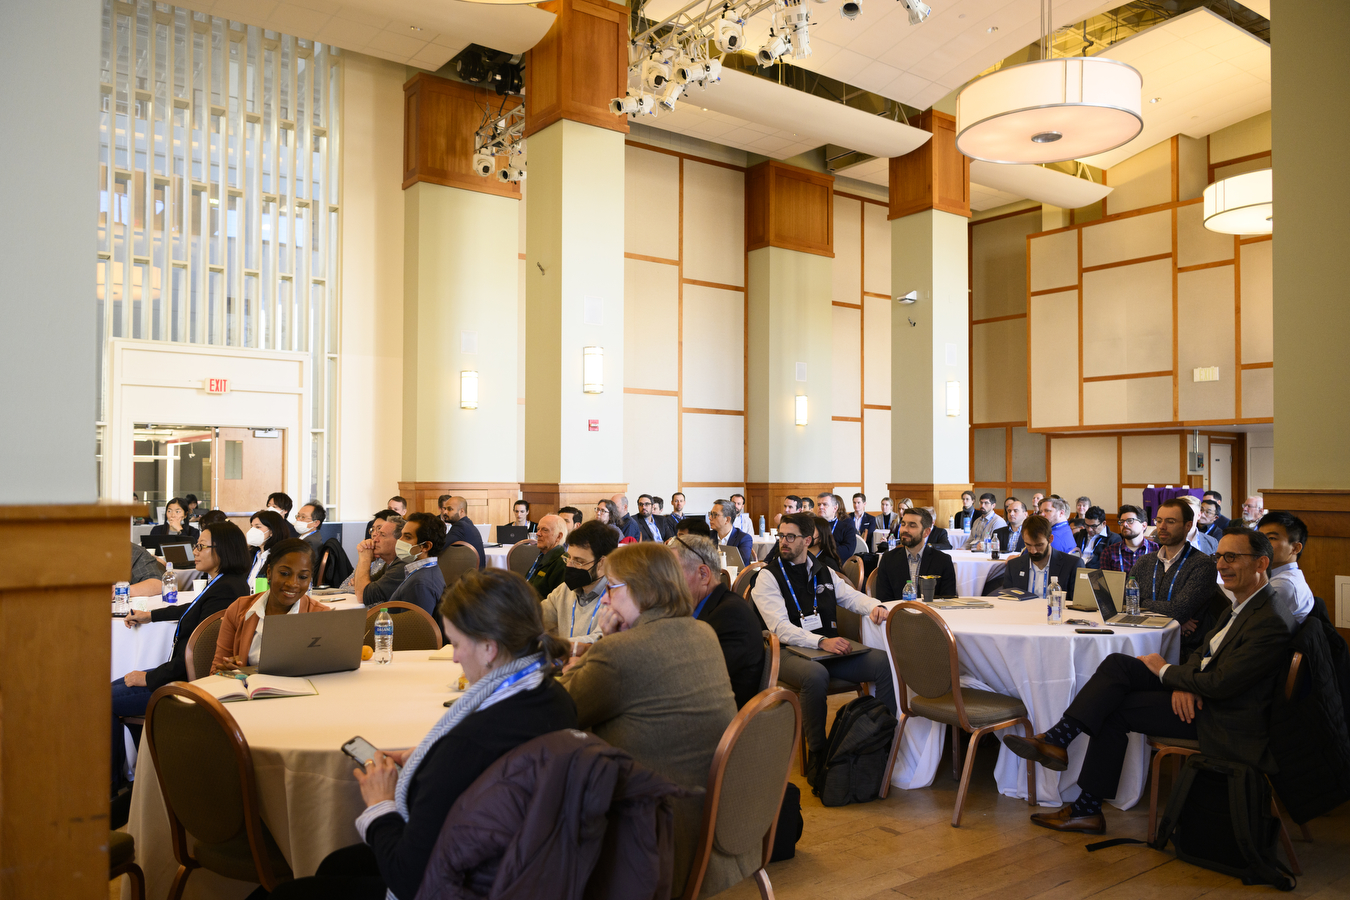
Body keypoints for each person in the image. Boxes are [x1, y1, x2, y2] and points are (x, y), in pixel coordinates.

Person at [269, 570, 578, 900]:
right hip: (526, 864)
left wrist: (380, 804)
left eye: (457, 644)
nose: (455, 656)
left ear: (489, 648)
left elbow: (409, 878)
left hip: (467, 882)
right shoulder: (554, 698)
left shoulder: (468, 744)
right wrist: (430, 758)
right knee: (338, 864)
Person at [1004, 528, 1295, 835]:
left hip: (1223, 716)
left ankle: (1085, 807)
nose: (1221, 565)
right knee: (1119, 665)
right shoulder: (1243, 603)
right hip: (1202, 691)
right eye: (1219, 556)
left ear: (1261, 564)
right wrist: (1182, 681)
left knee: (1115, 708)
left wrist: (1168, 672)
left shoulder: (1269, 620)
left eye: (1232, 557)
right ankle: (1058, 741)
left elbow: (1223, 684)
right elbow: (1203, 652)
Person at [558, 542, 742, 898]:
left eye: (611, 588)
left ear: (644, 589)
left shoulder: (621, 652)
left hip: (654, 828)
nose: (605, 601)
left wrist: (596, 652)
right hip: (716, 815)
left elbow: (561, 710)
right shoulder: (701, 632)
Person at [750, 512, 895, 782]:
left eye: (790, 537)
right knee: (816, 676)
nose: (783, 542)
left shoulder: (823, 570)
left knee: (884, 662)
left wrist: (875, 606)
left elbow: (850, 597)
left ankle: (881, 741)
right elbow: (779, 628)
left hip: (827, 650)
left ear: (807, 540)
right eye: (781, 536)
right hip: (788, 652)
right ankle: (819, 752)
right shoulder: (768, 577)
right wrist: (821, 641)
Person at [113, 522, 252, 789]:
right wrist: (151, 615)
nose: (195, 551)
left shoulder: (226, 589)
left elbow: (197, 656)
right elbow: (193, 609)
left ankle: (112, 788)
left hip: (185, 683)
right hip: (180, 675)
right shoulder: (227, 584)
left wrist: (149, 677)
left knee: (105, 701)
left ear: (222, 550)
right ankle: (142, 774)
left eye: (201, 546)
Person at [671, 534, 765, 708]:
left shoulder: (732, 616)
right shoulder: (703, 607)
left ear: (703, 574)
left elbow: (699, 681)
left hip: (719, 720)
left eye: (673, 573)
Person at [211, 540, 332, 672]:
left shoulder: (321, 616)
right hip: (248, 690)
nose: (293, 583)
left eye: (303, 577)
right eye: (284, 573)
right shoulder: (239, 609)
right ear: (269, 572)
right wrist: (226, 670)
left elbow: (329, 674)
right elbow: (215, 671)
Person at [1129, 499, 1222, 651]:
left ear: (1188, 525)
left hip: (1184, 649)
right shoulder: (1145, 562)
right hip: (1141, 641)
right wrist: (1174, 621)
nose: (1162, 527)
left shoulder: (1202, 564)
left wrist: (1140, 603)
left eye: (1170, 521)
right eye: (1159, 521)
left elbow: (1178, 610)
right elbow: (1125, 600)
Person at [540, 520, 619, 645]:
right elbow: (538, 618)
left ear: (602, 563)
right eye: (568, 557)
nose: (570, 565)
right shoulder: (565, 589)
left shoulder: (616, 596)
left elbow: (601, 640)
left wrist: (559, 646)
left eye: (578, 561)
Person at [875, 507, 957, 600]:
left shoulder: (942, 561)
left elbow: (947, 600)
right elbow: (883, 600)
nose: (905, 529)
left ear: (926, 532)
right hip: (898, 613)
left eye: (912, 525)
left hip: (931, 613)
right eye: (903, 524)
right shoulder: (888, 559)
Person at [999, 515, 1079, 603]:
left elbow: (1077, 604)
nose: (1033, 551)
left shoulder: (1071, 565)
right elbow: (1008, 601)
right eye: (1028, 545)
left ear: (1050, 539)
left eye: (1039, 545)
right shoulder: (1014, 566)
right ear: (1023, 538)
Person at [386, 513, 448, 618]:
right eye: (401, 535)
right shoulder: (428, 571)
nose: (399, 540)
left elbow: (415, 631)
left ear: (426, 546)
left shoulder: (420, 584)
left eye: (407, 537)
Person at [1257, 511, 1314, 624]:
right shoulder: (1277, 576)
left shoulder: (1284, 585)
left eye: (1272, 538)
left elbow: (1248, 625)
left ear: (1295, 548)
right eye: (1260, 538)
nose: (1261, 544)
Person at [352, 516, 408, 606]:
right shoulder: (390, 563)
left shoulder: (402, 566)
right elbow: (359, 586)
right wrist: (363, 554)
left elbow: (362, 596)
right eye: (376, 534)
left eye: (382, 535)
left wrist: (365, 558)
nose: (375, 539)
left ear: (399, 541)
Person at [1099, 506, 1158, 573]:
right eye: (1122, 521)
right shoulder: (1109, 552)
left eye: (1130, 521)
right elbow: (1105, 582)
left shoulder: (1156, 549)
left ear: (1144, 525)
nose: (1124, 524)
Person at [525, 514, 569, 598]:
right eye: (538, 529)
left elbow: (558, 601)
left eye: (545, 530)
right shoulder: (542, 556)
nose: (538, 534)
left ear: (558, 536)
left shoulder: (561, 564)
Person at [245, 508, 292, 587]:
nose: (252, 531)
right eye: (251, 527)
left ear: (272, 531)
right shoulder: (252, 555)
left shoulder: (280, 558)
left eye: (258, 527)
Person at [440, 495, 485, 567]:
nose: (445, 512)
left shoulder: (460, 526)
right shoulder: (467, 523)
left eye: (450, 509)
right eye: (445, 508)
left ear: (461, 511)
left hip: (470, 576)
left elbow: (440, 547)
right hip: (476, 574)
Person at [707, 498, 753, 566]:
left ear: (727, 520)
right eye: (710, 514)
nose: (710, 518)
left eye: (715, 515)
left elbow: (740, 564)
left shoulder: (744, 539)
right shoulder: (708, 536)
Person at [815, 492, 859, 557]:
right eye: (819, 504)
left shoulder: (847, 528)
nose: (820, 507)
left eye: (825, 504)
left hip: (835, 564)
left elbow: (847, 551)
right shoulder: (812, 525)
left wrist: (821, 549)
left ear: (835, 508)